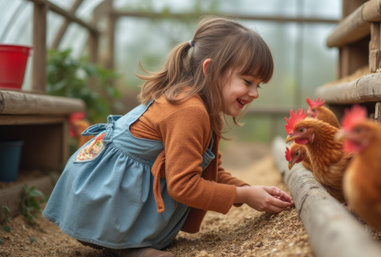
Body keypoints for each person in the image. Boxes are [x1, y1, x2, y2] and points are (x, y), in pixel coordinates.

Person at [43, 16, 294, 257]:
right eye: (247, 81)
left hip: (99, 196)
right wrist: (245, 195)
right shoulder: (189, 111)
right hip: (98, 201)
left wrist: (251, 191)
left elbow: (209, 171)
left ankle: (123, 241)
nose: (254, 93)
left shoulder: (203, 107)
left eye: (258, 85)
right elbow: (183, 186)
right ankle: (125, 244)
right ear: (210, 69)